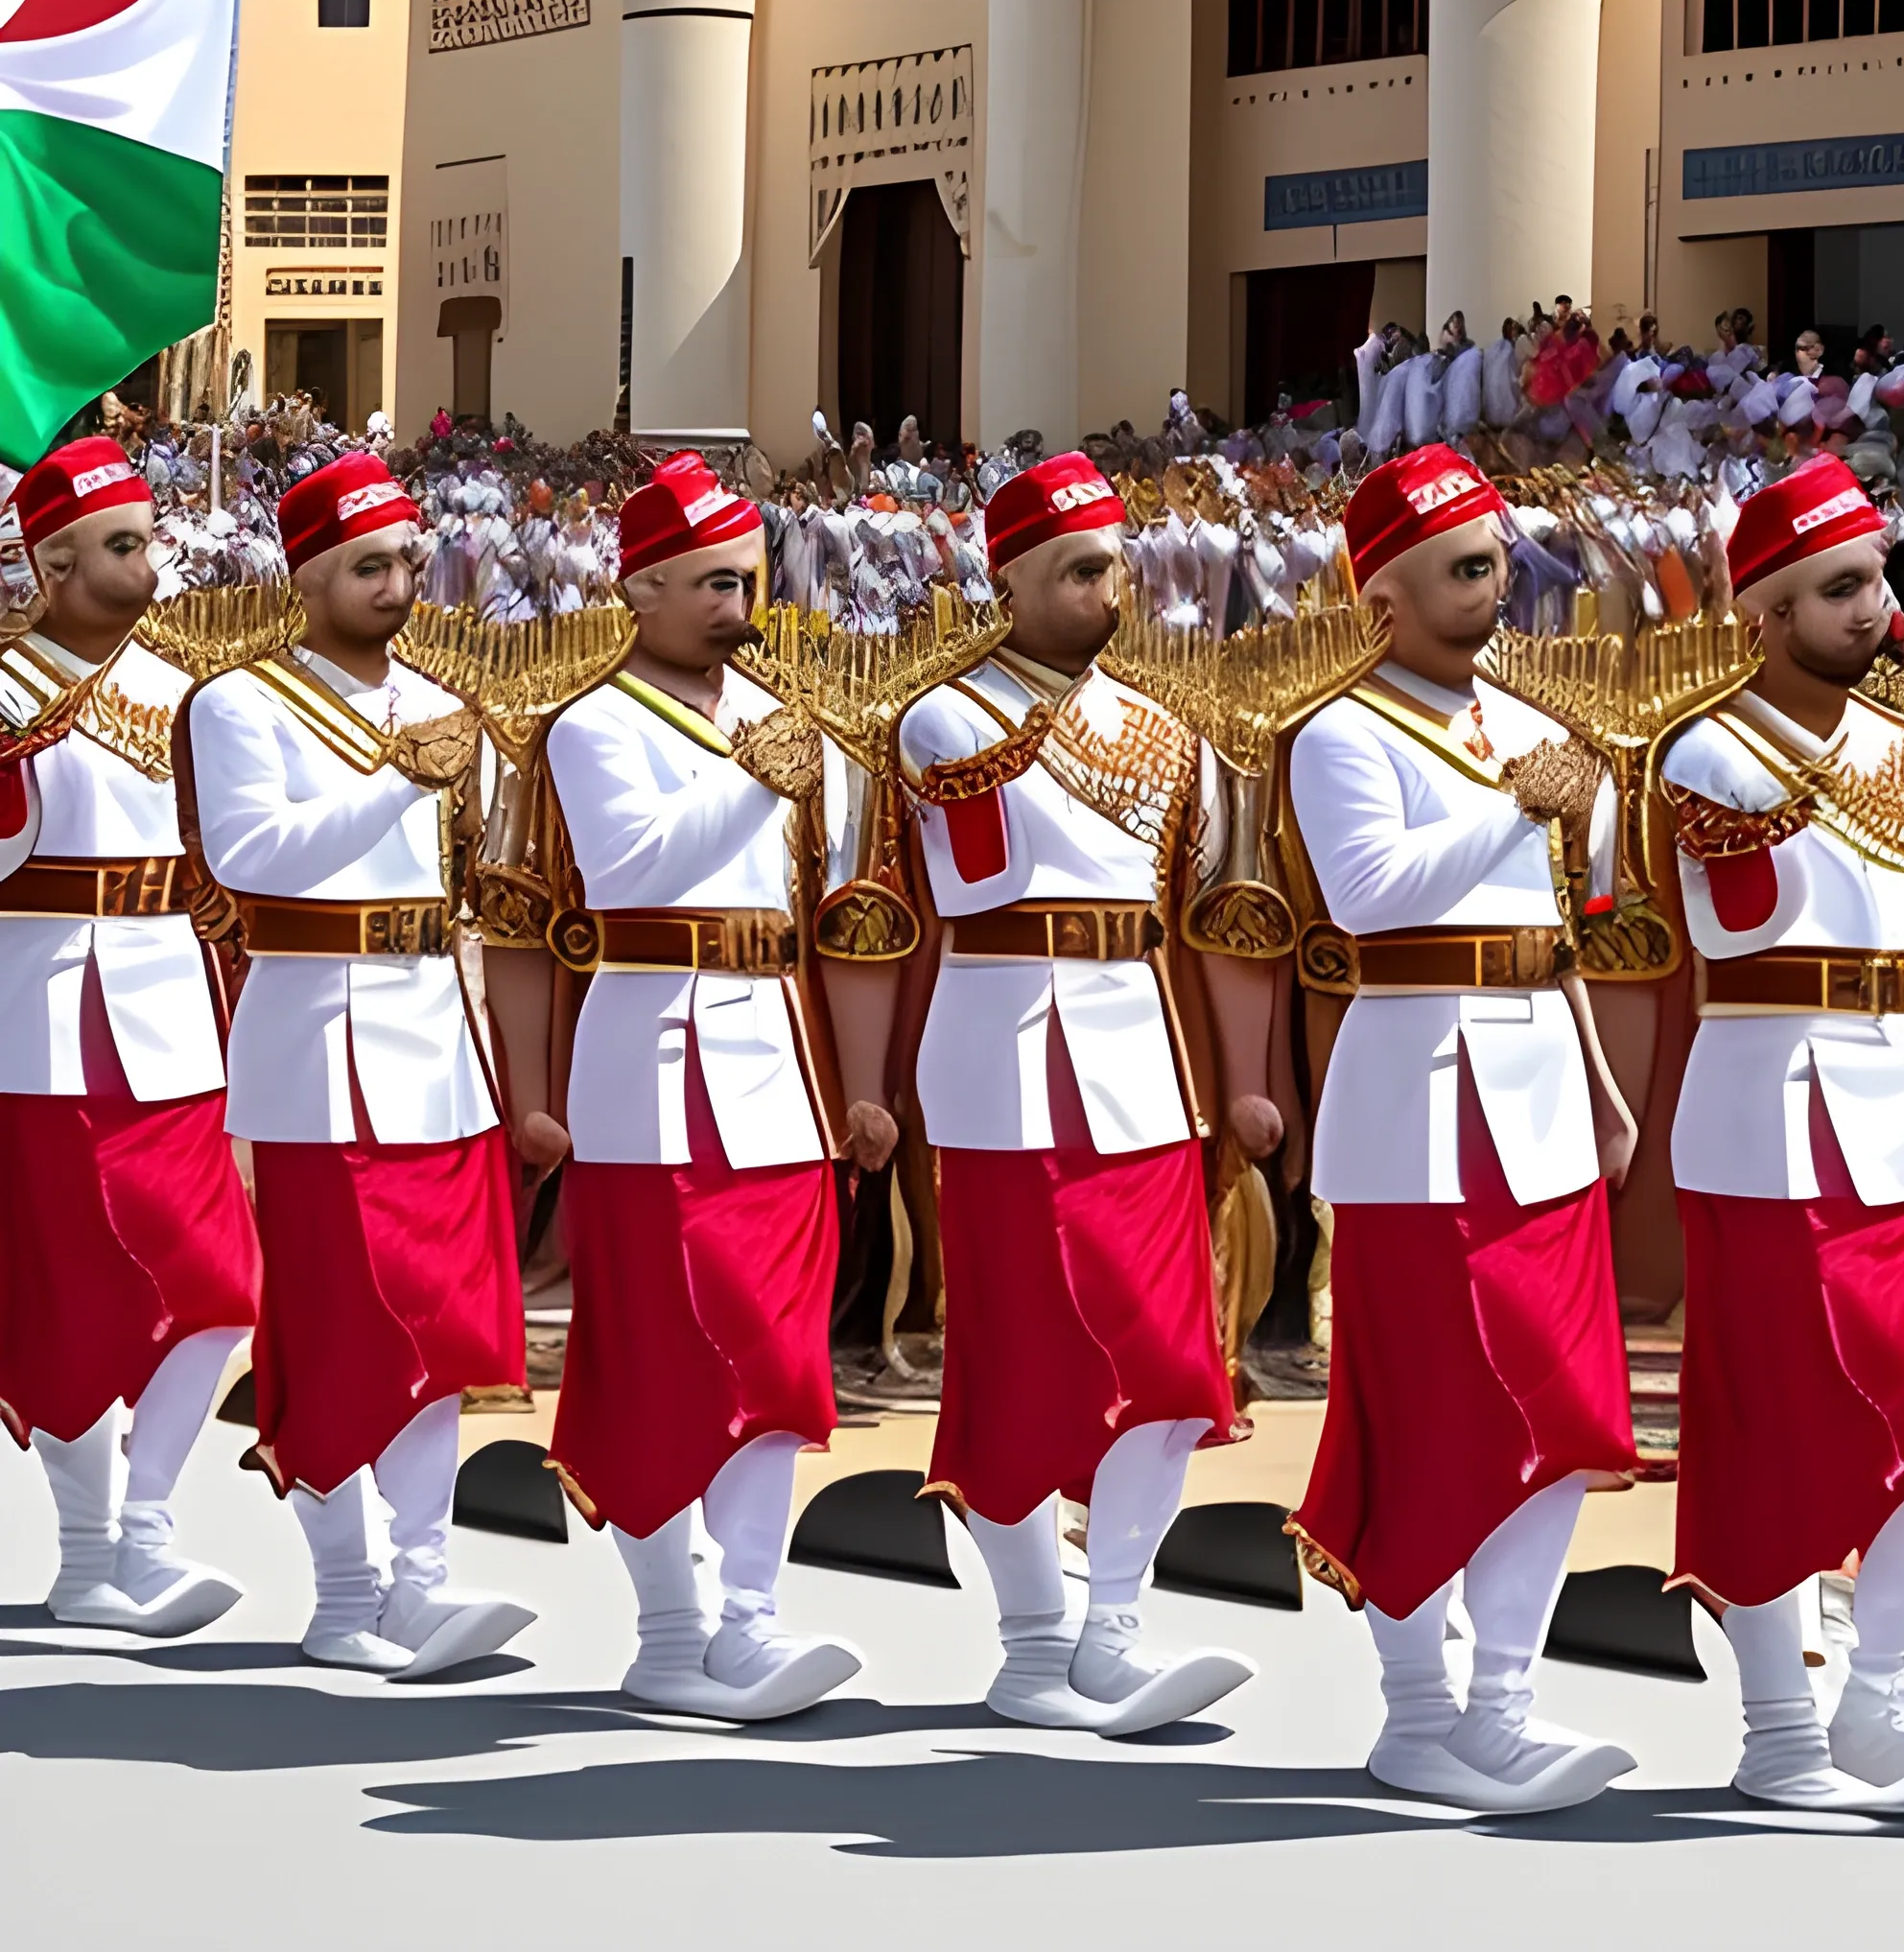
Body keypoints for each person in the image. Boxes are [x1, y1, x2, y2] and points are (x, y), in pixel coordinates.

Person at [1286, 444, 1642, 1814]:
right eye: (1465, 568)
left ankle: (1503, 1702)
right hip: (1417, 1097)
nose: (1497, 588)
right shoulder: (1341, 732)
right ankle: (1419, 1713)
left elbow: (1564, 927)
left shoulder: (1526, 725)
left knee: (1560, 1408)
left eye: (1498, 562)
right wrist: (1516, 806)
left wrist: (1604, 1085)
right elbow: (1372, 898)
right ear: (1384, 597)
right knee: (1435, 1412)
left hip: (1542, 1090)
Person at [895, 451, 1260, 1735]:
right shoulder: (945, 718)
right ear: (1011, 582)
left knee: (1169, 1361)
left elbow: (1203, 904)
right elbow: (986, 874)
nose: (1112, 591)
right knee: (1018, 1364)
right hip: (1008, 1061)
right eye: (1082, 570)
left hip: (1139, 1065)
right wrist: (1073, 728)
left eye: (1116, 566)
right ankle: (1034, 1642)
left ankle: (1110, 1627)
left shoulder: (1169, 732)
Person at [532, 452, 874, 1717]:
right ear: (643, 590)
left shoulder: (788, 727)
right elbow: (628, 872)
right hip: (653, 1056)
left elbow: (828, 894)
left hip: (774, 1055)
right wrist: (755, 779)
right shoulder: (593, 724)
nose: (738, 604)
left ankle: (748, 1619)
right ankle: (672, 1630)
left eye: (750, 580)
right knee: (662, 1351)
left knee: (778, 1353)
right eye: (712, 583)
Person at [182, 452, 532, 1677]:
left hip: (433, 1027)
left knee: (438, 1320)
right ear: (307, 574)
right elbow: (254, 856)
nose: (394, 586)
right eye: (367, 565)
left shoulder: (434, 701)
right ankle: (344, 1594)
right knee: (337, 1322)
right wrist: (397, 780)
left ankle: (420, 1581)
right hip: (317, 1034)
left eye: (406, 564)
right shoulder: (245, 702)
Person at [1658, 454, 1904, 1810]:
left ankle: (1878, 1697)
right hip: (1770, 1114)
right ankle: (1779, 1729)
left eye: (1881, 581)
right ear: (1763, 617)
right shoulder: (1709, 747)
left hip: (1901, 1110)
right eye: (1840, 589)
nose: (1877, 609)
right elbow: (1742, 923)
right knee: (1767, 1428)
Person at [0, 439, 259, 1635]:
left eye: (150, 537)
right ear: (50, 563)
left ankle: (141, 1527)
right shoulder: (5, 691)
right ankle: (91, 1552)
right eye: (120, 543)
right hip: (44, 1019)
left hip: (168, 1015)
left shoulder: (194, 688)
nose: (149, 559)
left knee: (218, 1287)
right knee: (66, 1298)